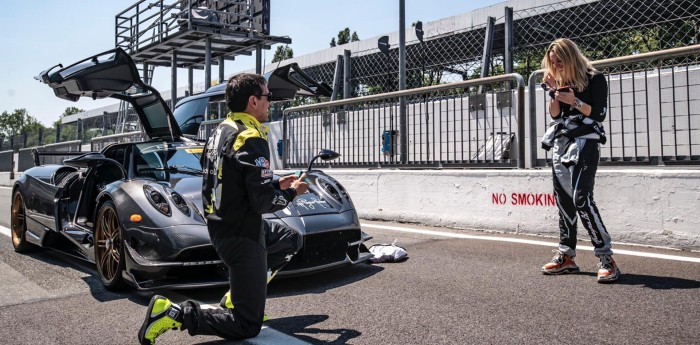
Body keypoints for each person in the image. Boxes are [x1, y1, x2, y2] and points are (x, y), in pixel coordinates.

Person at [138, 73, 309, 344]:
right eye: (267, 97)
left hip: (225, 227)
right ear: (253, 101)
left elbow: (230, 180)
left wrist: (275, 183)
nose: (269, 103)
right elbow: (263, 202)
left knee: (290, 238)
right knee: (246, 325)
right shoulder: (251, 136)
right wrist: (290, 192)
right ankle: (176, 313)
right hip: (242, 235)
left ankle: (237, 296)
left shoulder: (221, 131)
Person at [538, 38, 620, 283]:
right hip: (562, 142)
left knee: (581, 199)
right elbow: (555, 114)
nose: (557, 66)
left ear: (571, 56)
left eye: (560, 61)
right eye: (553, 63)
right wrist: (553, 92)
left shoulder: (595, 78)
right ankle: (567, 256)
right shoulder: (561, 81)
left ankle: (606, 258)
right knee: (563, 199)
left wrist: (574, 100)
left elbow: (599, 114)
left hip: (586, 141)